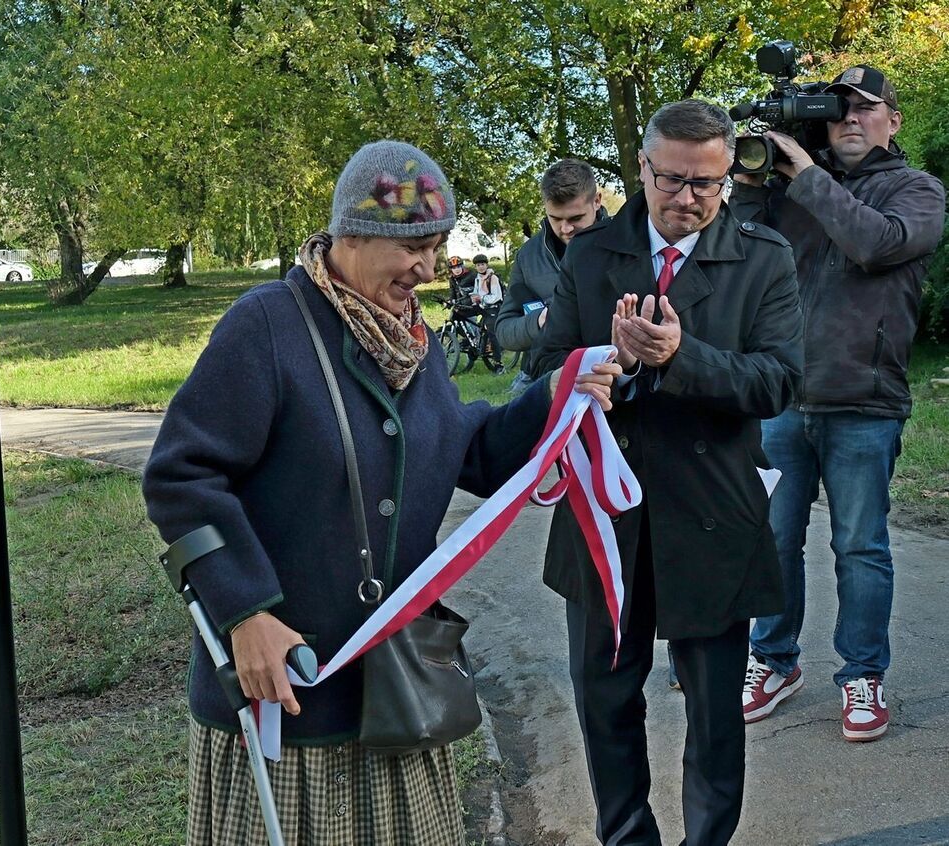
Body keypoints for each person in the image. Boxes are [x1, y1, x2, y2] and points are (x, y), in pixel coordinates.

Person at [143, 140, 619, 845]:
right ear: (354, 236)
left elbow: (464, 450)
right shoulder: (267, 326)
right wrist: (244, 612)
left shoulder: (411, 341)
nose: (428, 270)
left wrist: (553, 396)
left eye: (437, 247)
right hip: (290, 697)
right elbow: (180, 476)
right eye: (414, 248)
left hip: (394, 696)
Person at [531, 100, 803, 845]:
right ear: (642, 169)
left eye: (707, 184)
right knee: (606, 702)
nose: (688, 198)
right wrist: (600, 365)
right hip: (604, 516)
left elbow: (779, 382)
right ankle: (627, 838)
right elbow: (544, 363)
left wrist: (681, 358)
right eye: (672, 180)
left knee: (716, 714)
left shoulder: (764, 256)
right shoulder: (589, 254)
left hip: (714, 513)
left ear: (728, 177)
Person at [730, 65, 946, 741]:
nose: (850, 118)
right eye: (838, 108)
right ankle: (773, 660)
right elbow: (737, 250)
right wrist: (748, 185)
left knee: (860, 546)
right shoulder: (792, 187)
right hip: (785, 397)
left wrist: (805, 177)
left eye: (865, 108)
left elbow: (874, 243)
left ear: (893, 120)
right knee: (773, 539)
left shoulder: (916, 190)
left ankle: (862, 675)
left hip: (865, 399)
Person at [497, 159, 607, 398]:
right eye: (555, 219)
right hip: (544, 379)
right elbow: (504, 331)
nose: (566, 229)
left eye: (575, 218)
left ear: (597, 201)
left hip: (607, 379)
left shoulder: (626, 245)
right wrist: (539, 321)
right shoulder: (527, 256)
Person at [471, 253, 504, 371]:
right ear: (475, 267)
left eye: (483, 264)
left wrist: (482, 298)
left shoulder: (492, 278)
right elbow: (476, 292)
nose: (481, 267)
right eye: (478, 265)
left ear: (486, 265)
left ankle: (499, 363)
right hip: (484, 307)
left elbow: (496, 296)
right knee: (478, 327)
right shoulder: (478, 279)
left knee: (492, 333)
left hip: (494, 307)